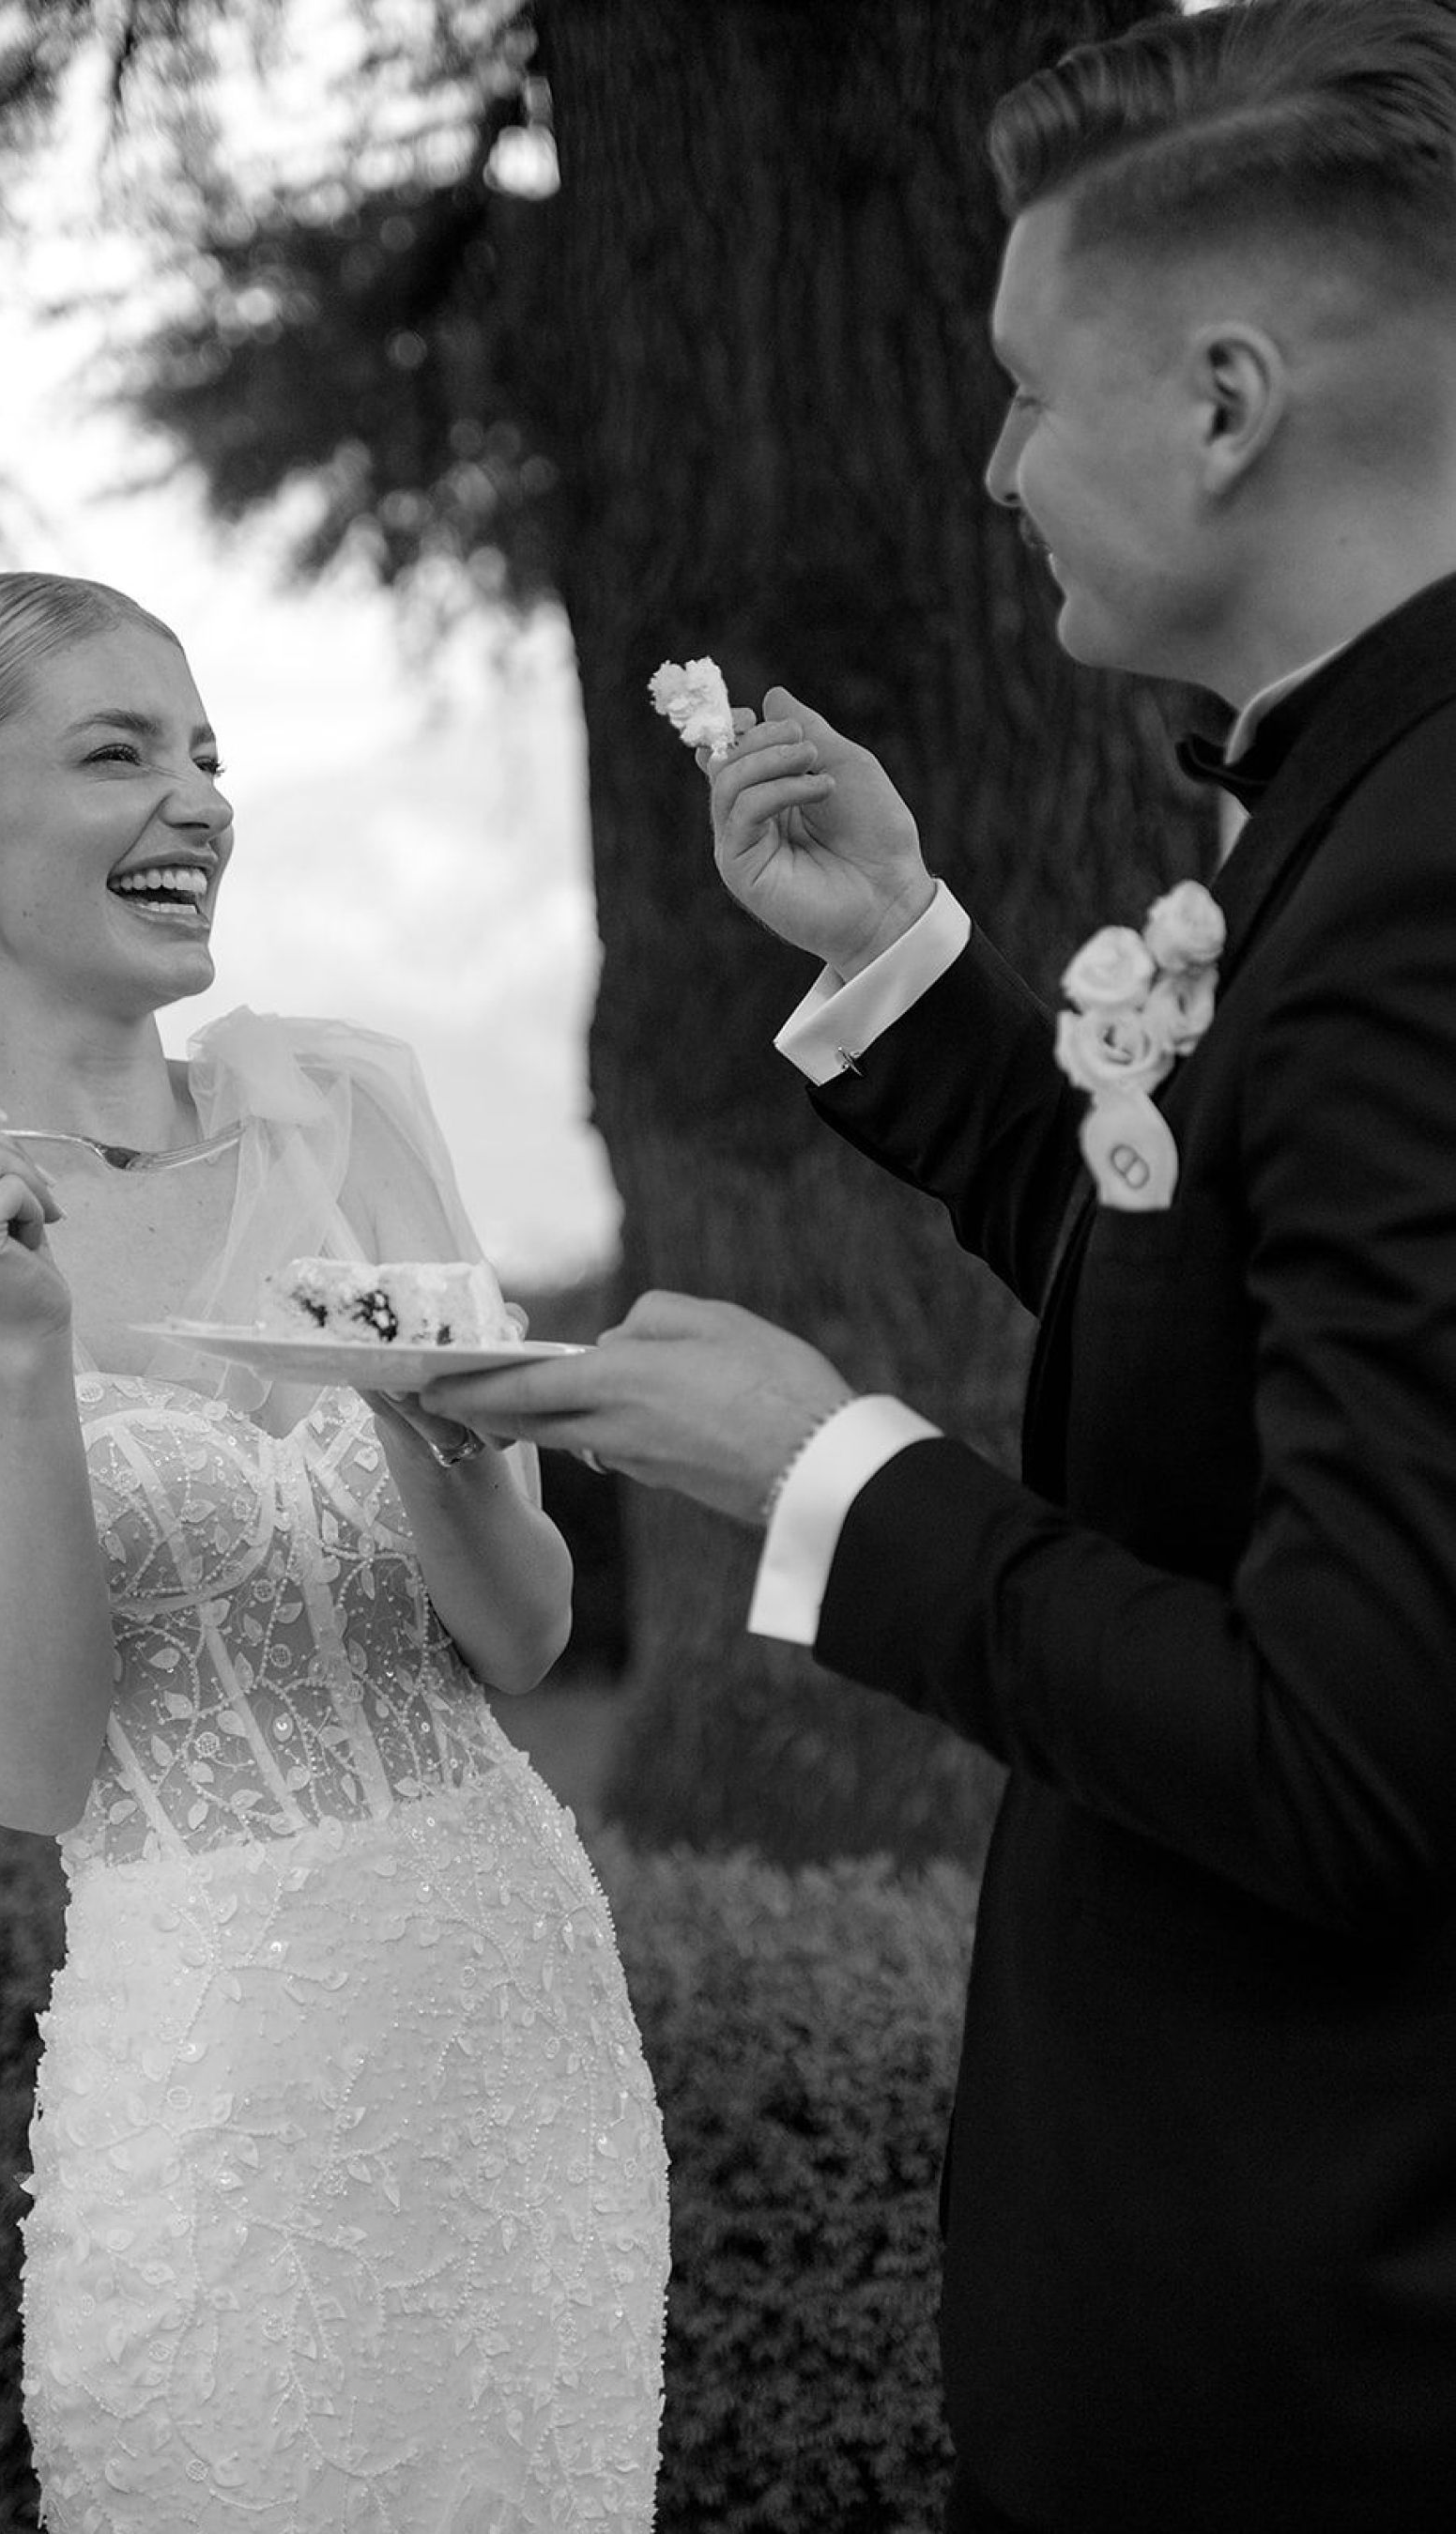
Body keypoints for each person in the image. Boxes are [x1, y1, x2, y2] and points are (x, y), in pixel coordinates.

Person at [424, 5, 1456, 2527]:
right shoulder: (1364, 804)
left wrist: (834, 1479)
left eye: (1020, 390)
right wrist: (897, 957)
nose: (992, 461)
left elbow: (1356, 1761)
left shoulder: (1426, 880)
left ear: (1224, 403)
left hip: (1322, 2366)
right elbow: (1227, 1302)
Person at [0, 572, 667, 2534]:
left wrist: (437, 1436)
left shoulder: (342, 1110)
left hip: (517, 2026)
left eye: (205, 754)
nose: (198, 803)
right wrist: (21, 1355)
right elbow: (24, 1764)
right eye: (117, 755)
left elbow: (526, 1635)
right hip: (218, 2076)